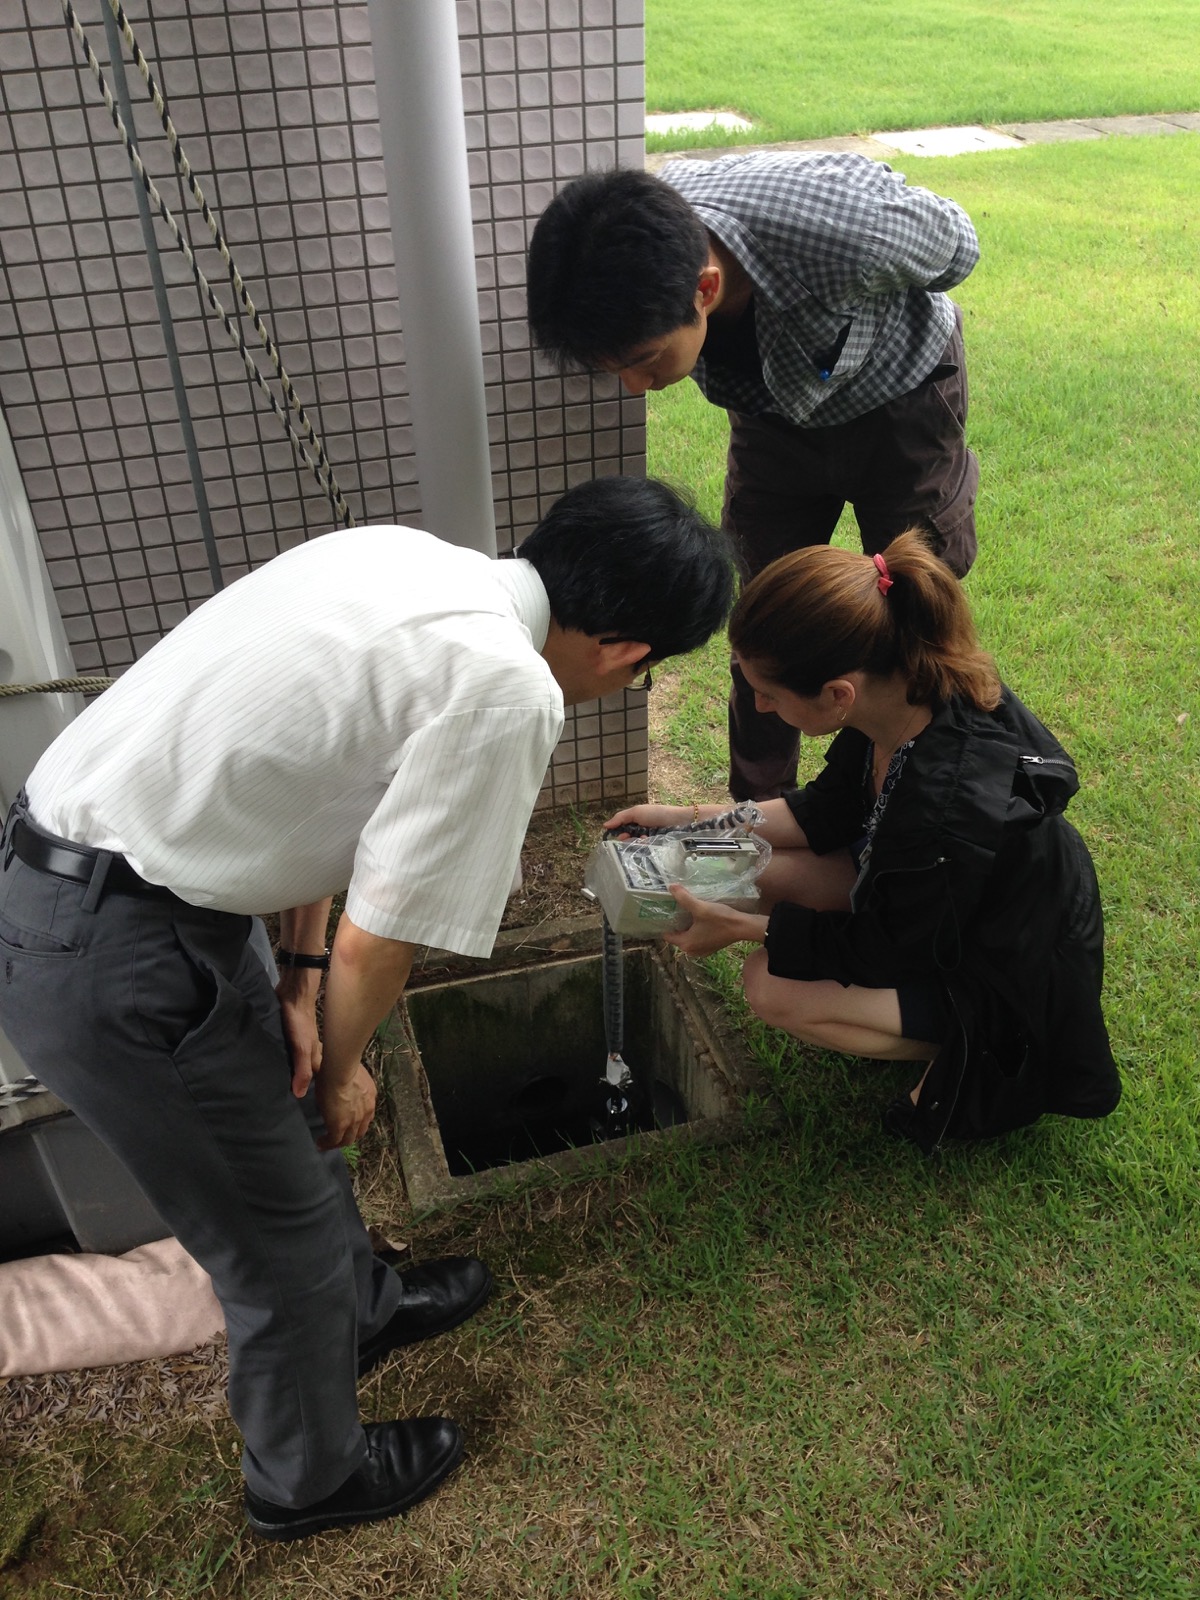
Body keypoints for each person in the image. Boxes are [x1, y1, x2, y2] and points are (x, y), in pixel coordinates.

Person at [0, 476, 733, 1541]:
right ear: (626, 651)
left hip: (132, 884)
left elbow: (322, 803)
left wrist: (299, 985)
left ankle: (364, 1312)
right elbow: (380, 938)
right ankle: (306, 1481)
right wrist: (341, 1074)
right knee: (277, 1235)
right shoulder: (506, 687)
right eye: (645, 672)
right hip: (118, 948)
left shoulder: (406, 558)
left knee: (282, 1135)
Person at [607, 531, 1120, 1154]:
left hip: (993, 966)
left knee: (771, 985)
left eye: (770, 694)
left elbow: (878, 949)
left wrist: (741, 929)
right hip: (932, 907)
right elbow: (822, 813)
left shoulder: (944, 800)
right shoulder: (897, 689)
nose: (759, 706)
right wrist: (685, 820)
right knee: (755, 870)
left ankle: (952, 1043)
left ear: (836, 694)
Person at [526, 154, 981, 799]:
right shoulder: (633, 247)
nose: (634, 387)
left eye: (645, 359)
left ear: (705, 289)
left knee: (914, 610)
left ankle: (899, 796)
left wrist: (867, 300)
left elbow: (958, 245)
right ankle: (759, 812)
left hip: (901, 404)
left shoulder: (844, 229)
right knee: (763, 619)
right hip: (771, 421)